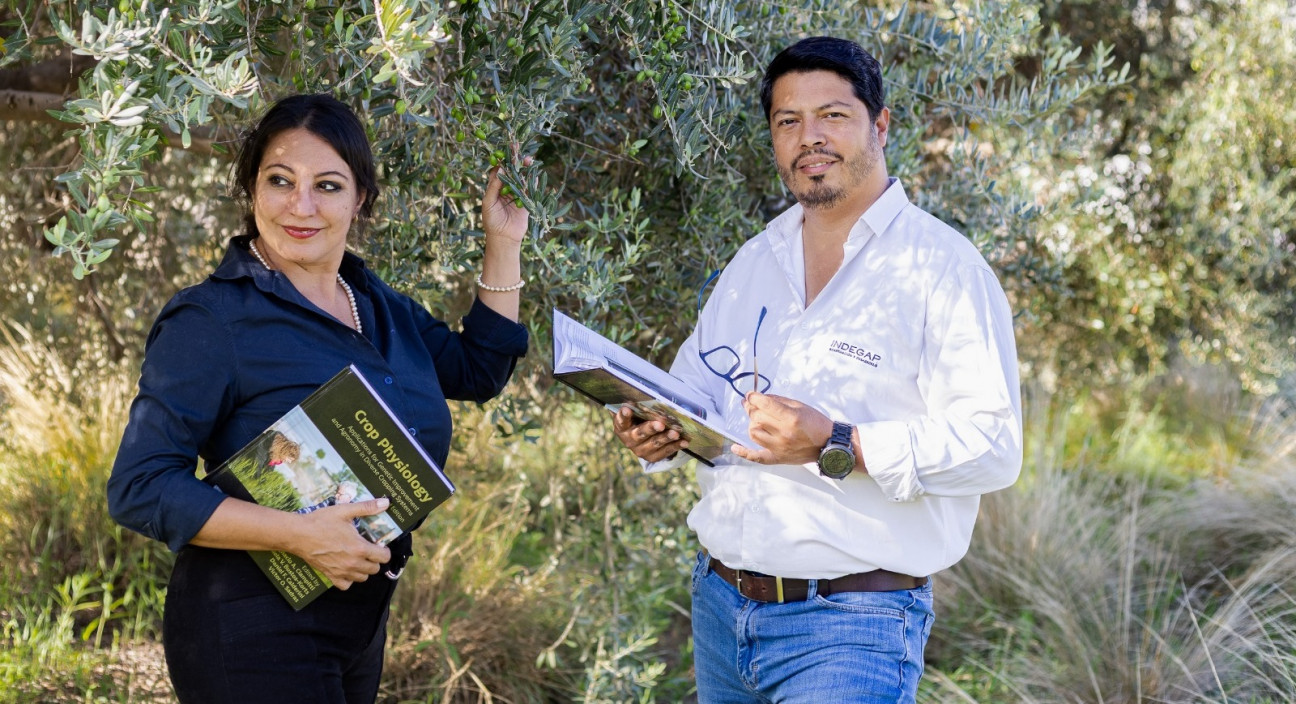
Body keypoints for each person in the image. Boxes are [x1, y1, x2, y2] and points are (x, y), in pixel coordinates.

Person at [611, 36, 1022, 702]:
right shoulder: (753, 263)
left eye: (832, 115)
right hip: (721, 610)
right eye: (788, 122)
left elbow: (995, 448)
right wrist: (661, 432)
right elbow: (695, 394)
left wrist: (838, 441)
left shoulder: (943, 269)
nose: (810, 138)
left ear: (880, 125)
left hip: (852, 628)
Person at [107, 93, 530, 703]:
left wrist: (503, 243)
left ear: (360, 198)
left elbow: (478, 369)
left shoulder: (373, 303)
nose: (300, 206)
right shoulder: (212, 321)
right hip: (250, 630)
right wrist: (297, 535)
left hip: (356, 625)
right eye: (280, 180)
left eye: (327, 186)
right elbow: (139, 487)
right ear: (251, 188)